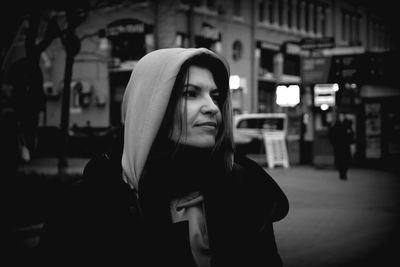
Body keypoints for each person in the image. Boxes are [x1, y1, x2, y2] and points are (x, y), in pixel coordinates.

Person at [39, 48, 289, 266]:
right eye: (191, 94)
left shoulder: (245, 192)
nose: (212, 107)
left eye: (215, 96)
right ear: (149, 105)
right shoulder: (85, 205)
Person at [329, 113, 354, 180]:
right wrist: (334, 143)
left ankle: (344, 173)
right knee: (340, 160)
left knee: (345, 159)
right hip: (338, 146)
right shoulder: (336, 125)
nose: (341, 117)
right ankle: (341, 173)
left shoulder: (347, 125)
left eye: (342, 116)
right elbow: (332, 135)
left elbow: (351, 134)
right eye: (340, 116)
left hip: (345, 146)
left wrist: (350, 141)